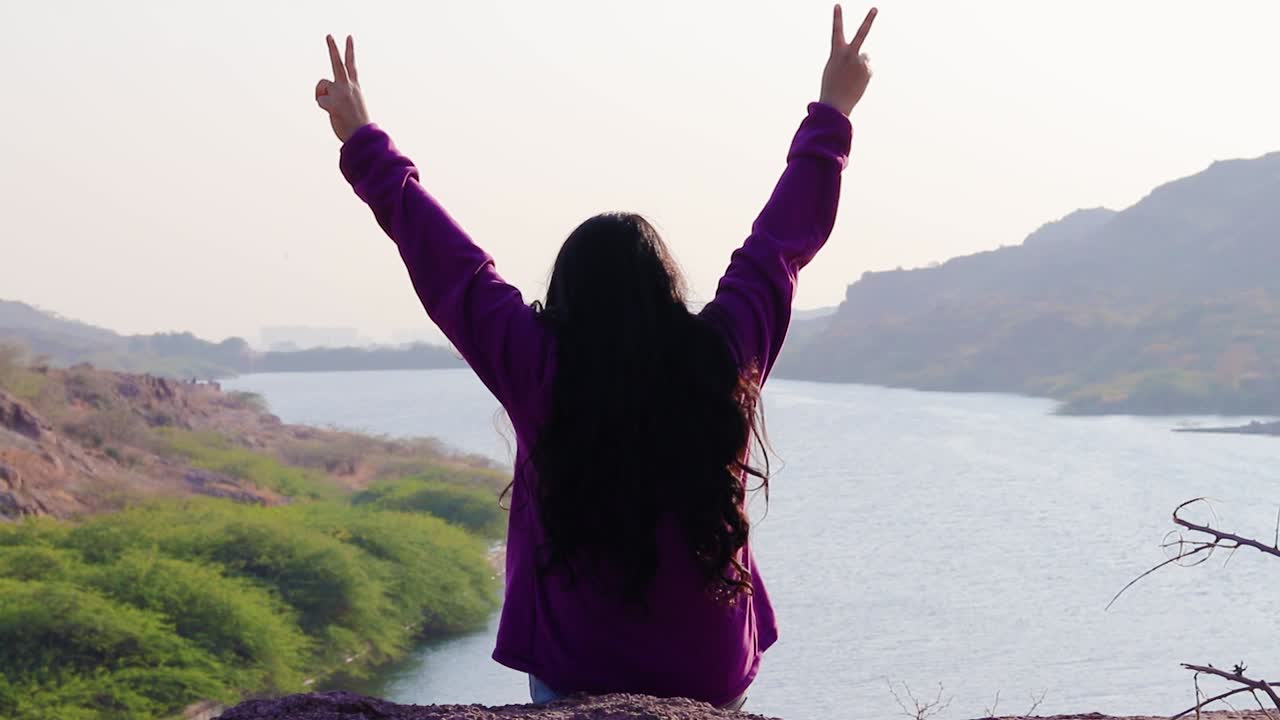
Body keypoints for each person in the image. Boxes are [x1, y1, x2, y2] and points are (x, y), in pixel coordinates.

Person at [314, 4, 876, 710]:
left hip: (577, 666)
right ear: (666, 285)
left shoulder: (538, 364)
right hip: (710, 666)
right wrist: (834, 109)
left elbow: (451, 268)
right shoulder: (726, 348)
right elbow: (780, 245)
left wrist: (364, 141)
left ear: (567, 292)